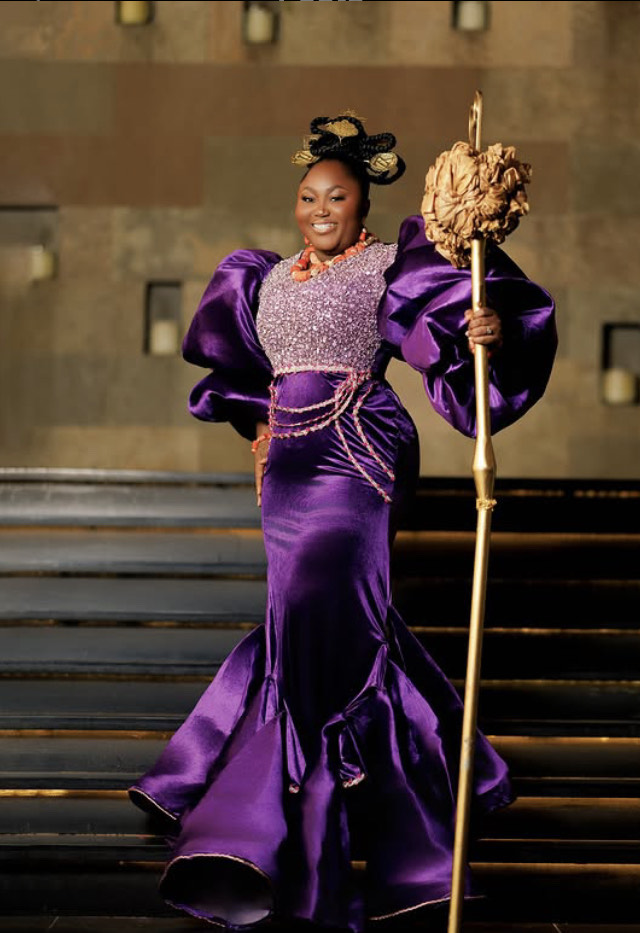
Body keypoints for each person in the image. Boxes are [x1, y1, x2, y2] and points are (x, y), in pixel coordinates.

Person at [129, 114, 557, 932]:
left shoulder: (392, 265)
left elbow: (443, 333)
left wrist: (482, 331)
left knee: (345, 616)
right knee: (297, 619)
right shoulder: (261, 278)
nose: (320, 209)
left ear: (362, 205)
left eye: (336, 197)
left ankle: (353, 801)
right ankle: (306, 788)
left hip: (359, 455)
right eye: (308, 196)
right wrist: (260, 431)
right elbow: (240, 374)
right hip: (288, 472)